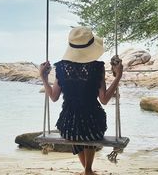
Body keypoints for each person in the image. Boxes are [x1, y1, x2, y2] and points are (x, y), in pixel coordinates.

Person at [39, 26, 123, 175]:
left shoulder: (61, 67)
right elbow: (104, 99)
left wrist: (44, 78)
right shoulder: (97, 68)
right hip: (93, 125)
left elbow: (53, 97)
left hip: (68, 125)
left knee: (77, 128)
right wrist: (118, 77)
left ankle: (87, 170)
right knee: (88, 126)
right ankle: (88, 170)